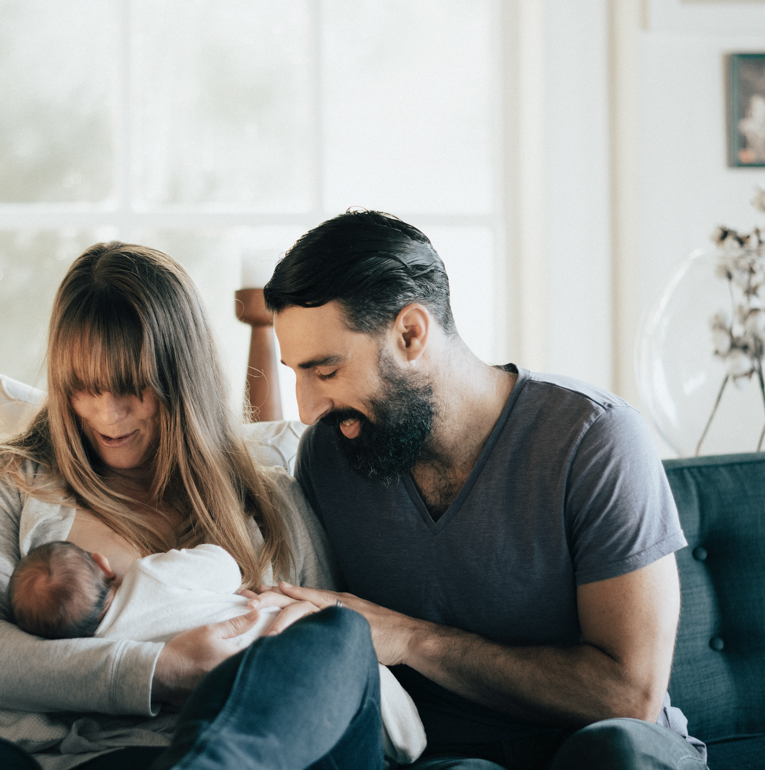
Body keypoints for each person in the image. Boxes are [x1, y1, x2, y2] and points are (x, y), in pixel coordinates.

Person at [259, 209, 710, 770]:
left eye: (325, 372)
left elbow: (627, 697)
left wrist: (412, 640)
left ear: (410, 333)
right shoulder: (329, 457)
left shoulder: (594, 437)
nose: (306, 409)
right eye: (295, 374)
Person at [0, 242, 384, 770]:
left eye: (134, 388)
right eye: (85, 388)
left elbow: (332, 666)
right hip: (102, 756)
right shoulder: (5, 478)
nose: (108, 415)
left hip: (258, 746)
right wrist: (162, 669)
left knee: (342, 634)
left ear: (183, 379)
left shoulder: (272, 503)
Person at [7, 540, 427, 764]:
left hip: (288, 704)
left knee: (339, 634)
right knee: (342, 629)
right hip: (321, 695)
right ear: (102, 563)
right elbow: (223, 564)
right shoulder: (149, 573)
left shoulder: (98, 657)